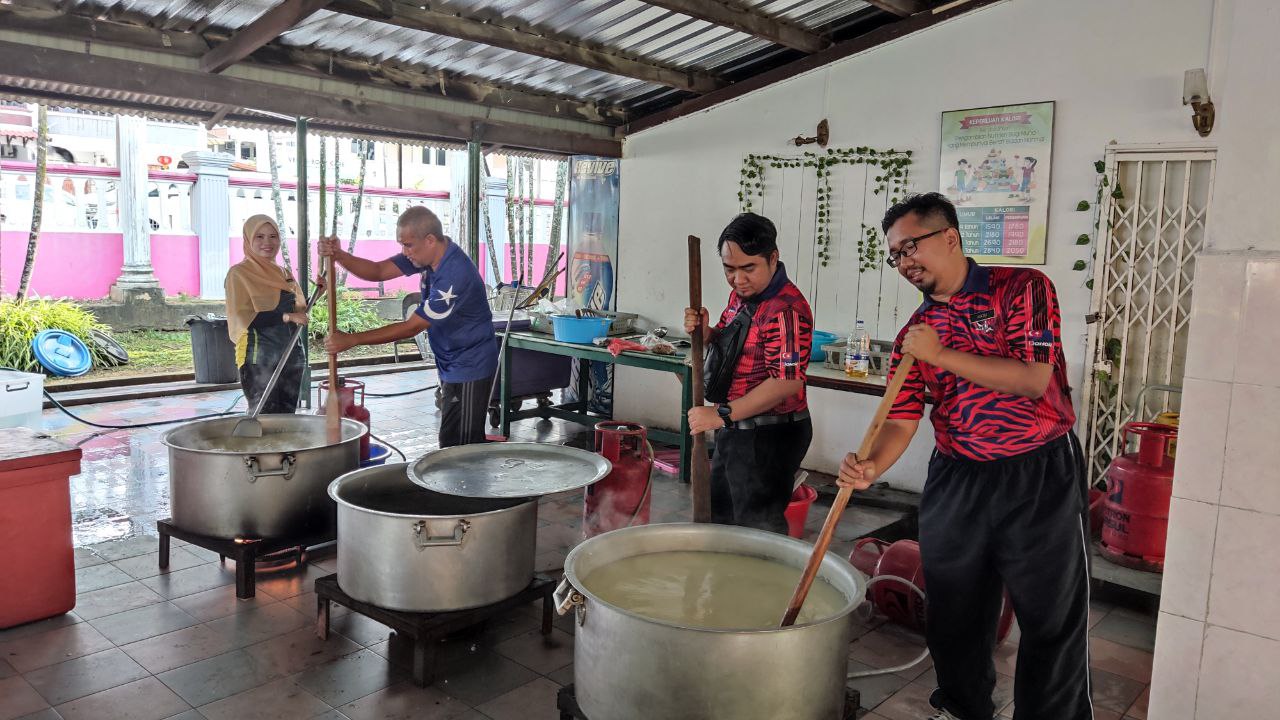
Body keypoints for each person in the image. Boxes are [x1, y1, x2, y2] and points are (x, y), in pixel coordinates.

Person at [838, 193, 1090, 720]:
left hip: (1038, 471)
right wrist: (872, 467)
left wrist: (942, 354)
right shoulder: (915, 334)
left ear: (950, 237)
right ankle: (960, 708)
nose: (905, 261)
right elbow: (902, 418)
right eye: (895, 254)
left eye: (911, 246)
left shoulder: (1022, 289)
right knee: (954, 610)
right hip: (958, 476)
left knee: (1050, 615)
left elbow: (1032, 378)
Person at [319, 206, 496, 447]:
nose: (405, 252)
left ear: (430, 240)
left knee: (459, 445)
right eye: (402, 245)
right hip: (451, 358)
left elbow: (412, 327)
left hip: (470, 363)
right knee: (455, 439)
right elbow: (377, 271)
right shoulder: (427, 256)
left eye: (408, 245)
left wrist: (353, 339)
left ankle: (472, 483)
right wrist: (339, 255)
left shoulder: (455, 274)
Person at [684, 212, 814, 533]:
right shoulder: (741, 296)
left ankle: (763, 582)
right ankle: (726, 581)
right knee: (722, 517)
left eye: (748, 268)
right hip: (737, 426)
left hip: (771, 434)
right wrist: (706, 332)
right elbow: (733, 345)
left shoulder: (785, 310)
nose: (738, 279)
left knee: (756, 530)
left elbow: (787, 381)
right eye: (730, 269)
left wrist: (720, 415)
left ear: (773, 258)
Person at [224, 214, 309, 413]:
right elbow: (243, 316)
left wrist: (319, 291)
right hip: (258, 357)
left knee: (287, 415)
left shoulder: (283, 273)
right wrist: (287, 317)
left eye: (273, 236)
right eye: (259, 237)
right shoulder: (239, 274)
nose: (267, 243)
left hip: (292, 354)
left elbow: (299, 310)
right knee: (263, 416)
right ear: (248, 239)